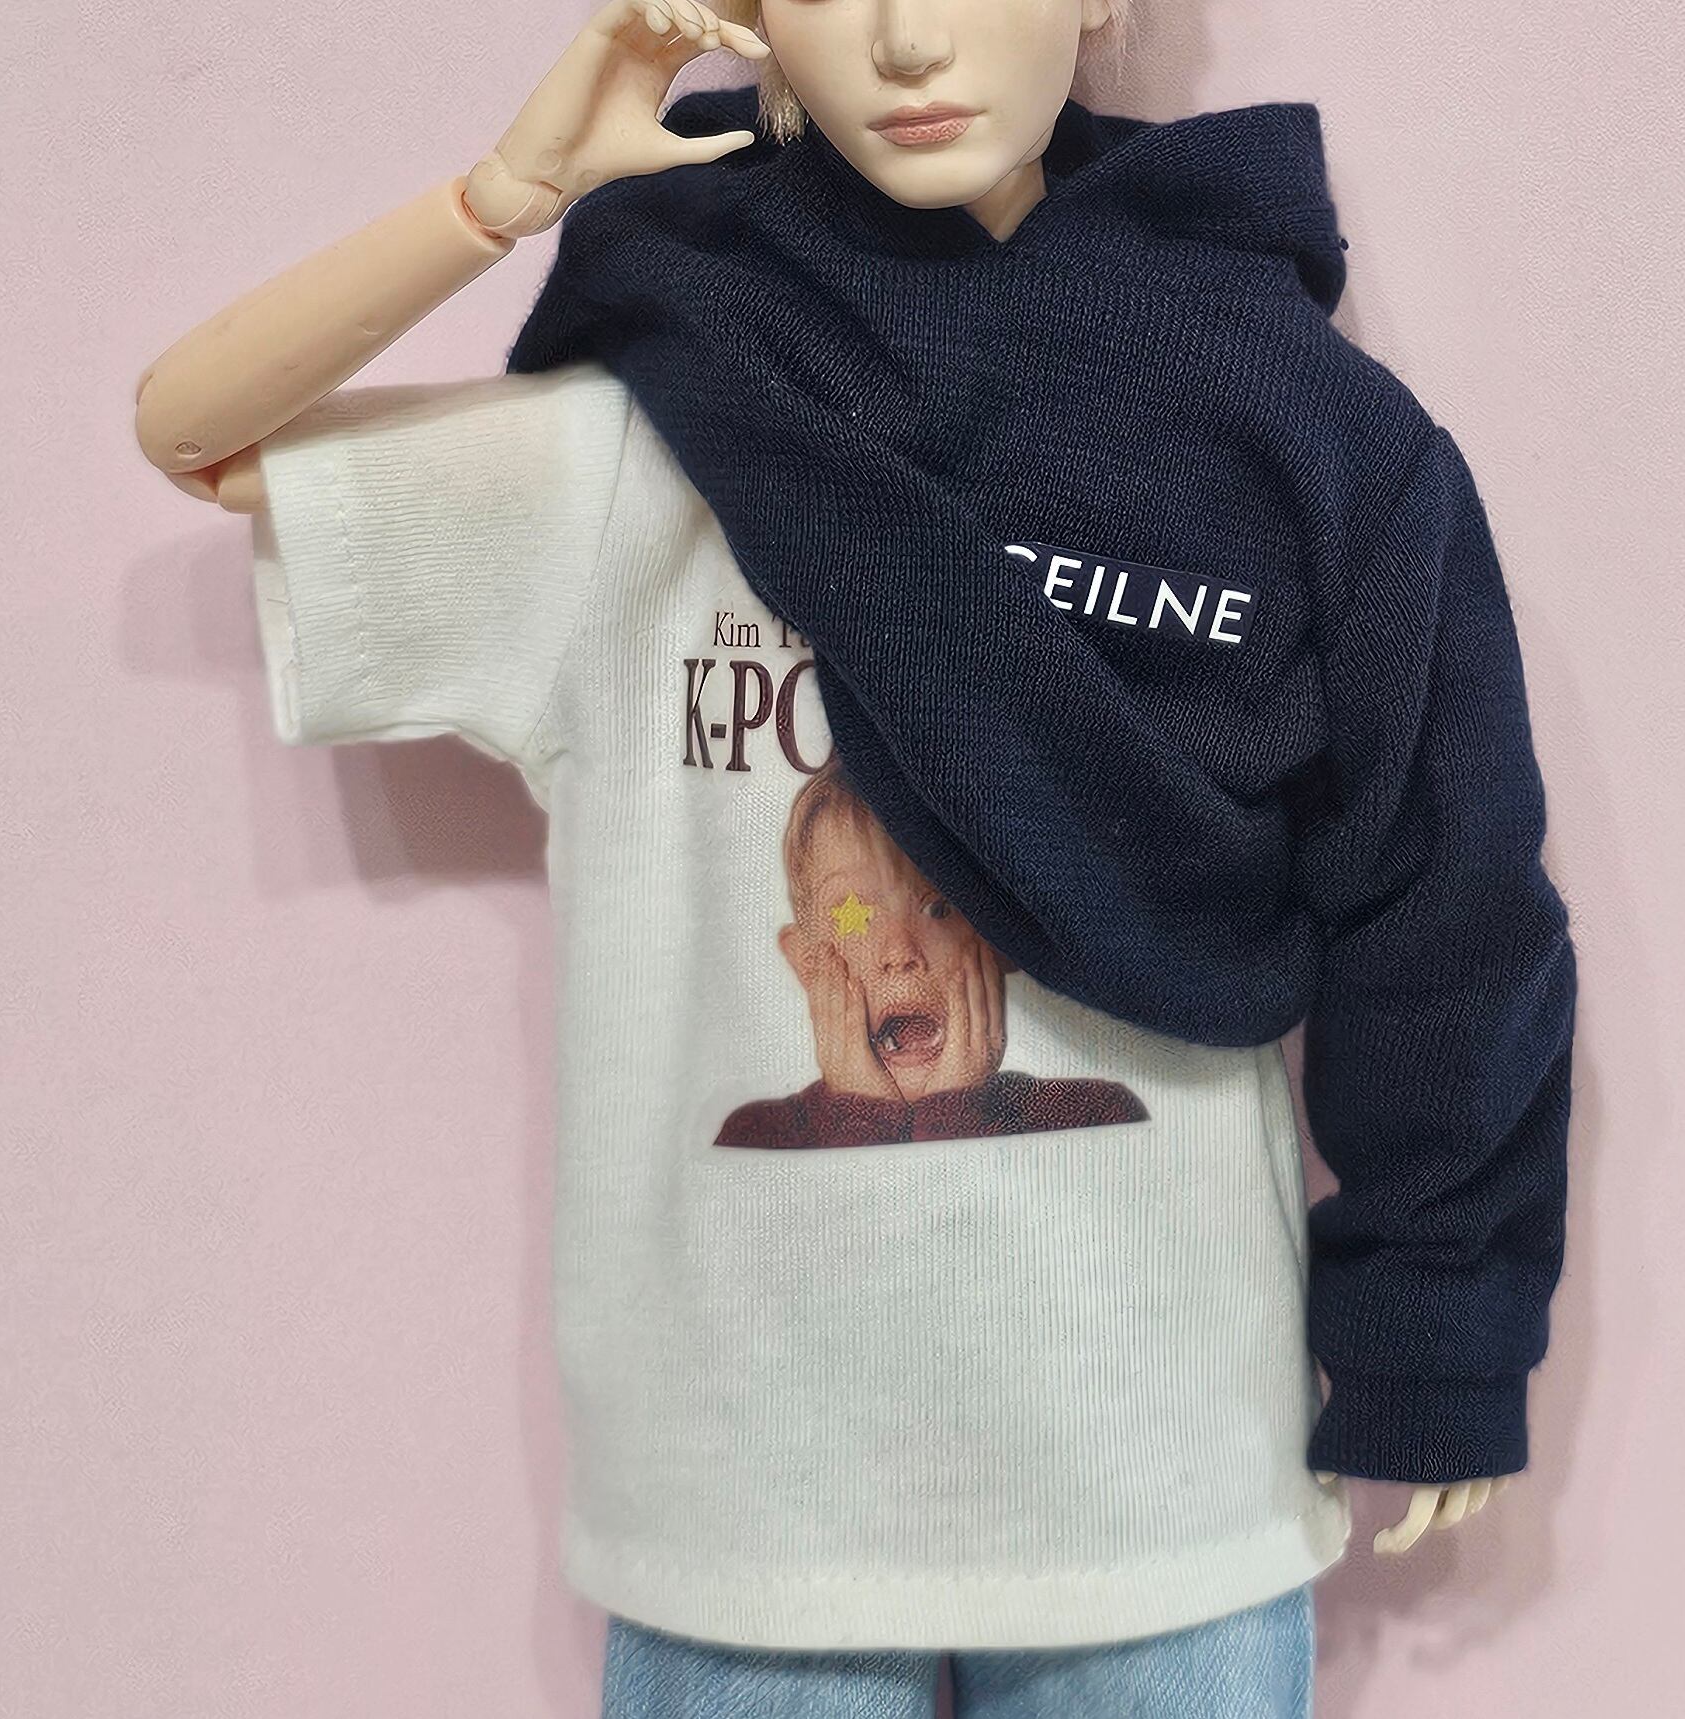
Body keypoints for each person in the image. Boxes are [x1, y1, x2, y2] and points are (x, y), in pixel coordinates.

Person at [132, 1, 1565, 1711]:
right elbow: (199, 442)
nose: (899, 39)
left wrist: (1437, 1331)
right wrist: (502, 194)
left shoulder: (1296, 431)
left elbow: (1440, 892)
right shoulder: (657, 427)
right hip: (742, 1507)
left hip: (1163, 1471)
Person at [716, 755, 1148, 1147]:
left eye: (939, 908)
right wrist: (860, 1113)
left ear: (1003, 940)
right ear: (807, 961)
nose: (901, 951)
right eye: (857, 917)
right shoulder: (755, 1135)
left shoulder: (1089, 1115)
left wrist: (956, 1108)